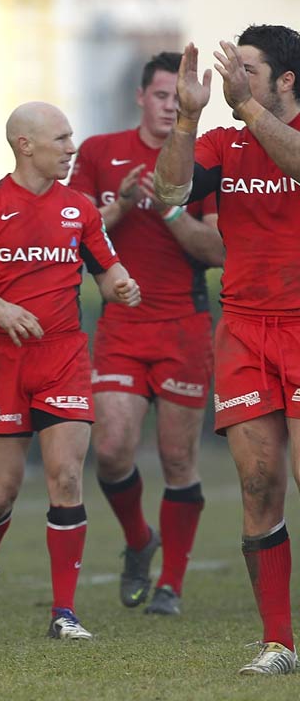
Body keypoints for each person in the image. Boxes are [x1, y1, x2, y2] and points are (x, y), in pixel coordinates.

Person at [0, 101, 140, 641]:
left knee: (67, 478)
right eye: (62, 138)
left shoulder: (80, 209)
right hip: (3, 359)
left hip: (64, 356)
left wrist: (121, 285)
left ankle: (63, 614)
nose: (72, 148)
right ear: (25, 145)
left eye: (72, 138)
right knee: (0, 493)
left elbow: (108, 267)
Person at [152, 25, 300, 675]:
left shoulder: (267, 126)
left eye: (248, 69)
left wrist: (248, 106)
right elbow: (170, 193)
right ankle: (279, 644)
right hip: (243, 328)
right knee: (259, 483)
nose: (234, 77)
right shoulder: (223, 140)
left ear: (286, 79)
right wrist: (186, 118)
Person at [67, 52, 224, 616]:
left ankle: (172, 585)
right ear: (142, 97)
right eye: (161, 95)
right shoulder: (98, 152)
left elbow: (219, 250)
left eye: (178, 97)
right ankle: (138, 539)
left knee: (178, 459)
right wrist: (120, 208)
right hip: (122, 324)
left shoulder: (203, 158)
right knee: (109, 451)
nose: (169, 105)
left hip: (184, 324)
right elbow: (71, 231)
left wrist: (171, 208)